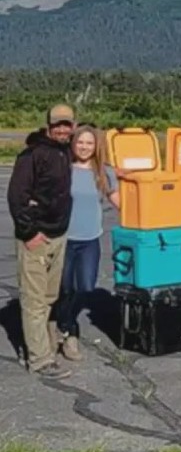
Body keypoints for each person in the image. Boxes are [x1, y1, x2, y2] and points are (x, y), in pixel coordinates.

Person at [7, 104, 76, 380]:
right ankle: (40, 360)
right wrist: (29, 232)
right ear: (48, 125)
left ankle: (39, 345)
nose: (62, 129)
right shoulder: (32, 155)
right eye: (57, 124)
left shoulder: (64, 152)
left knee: (49, 297)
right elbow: (16, 197)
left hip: (58, 235)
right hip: (36, 238)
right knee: (34, 301)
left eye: (67, 124)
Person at [53, 125, 120, 361]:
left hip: (90, 239)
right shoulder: (64, 169)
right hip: (64, 239)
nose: (84, 147)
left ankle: (61, 323)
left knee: (85, 287)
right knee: (65, 288)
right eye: (80, 142)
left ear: (96, 146)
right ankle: (69, 332)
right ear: (73, 144)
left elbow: (119, 201)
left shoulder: (102, 172)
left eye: (89, 143)